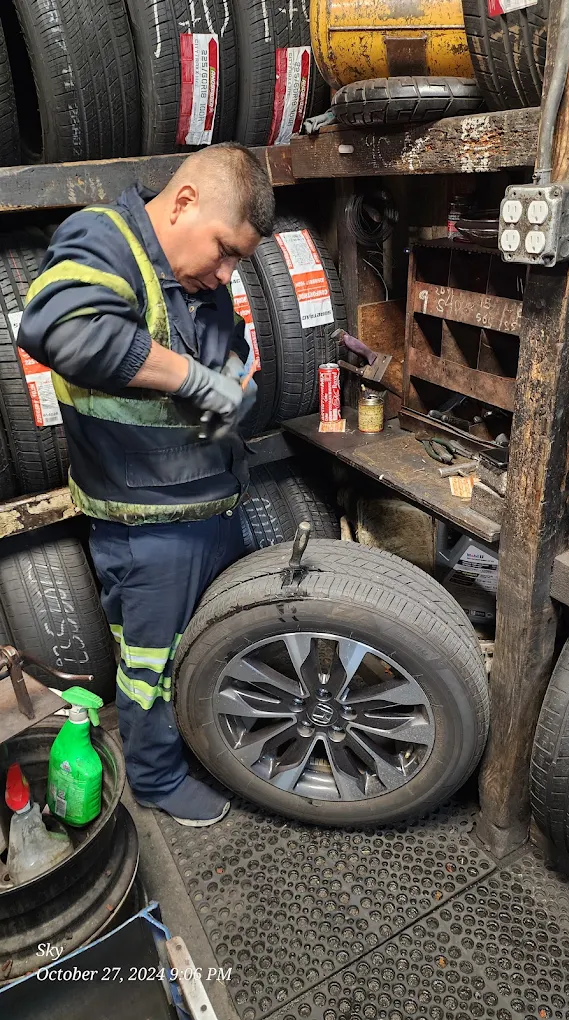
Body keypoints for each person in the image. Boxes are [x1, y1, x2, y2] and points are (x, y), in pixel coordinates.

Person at [18, 143, 276, 827]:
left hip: (212, 505)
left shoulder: (203, 285)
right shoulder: (103, 239)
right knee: (150, 666)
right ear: (185, 200)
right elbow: (59, 328)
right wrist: (195, 381)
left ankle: (199, 748)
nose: (224, 271)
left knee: (204, 649)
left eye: (236, 263)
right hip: (147, 527)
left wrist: (234, 380)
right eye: (223, 250)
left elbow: (232, 360)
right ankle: (157, 779)